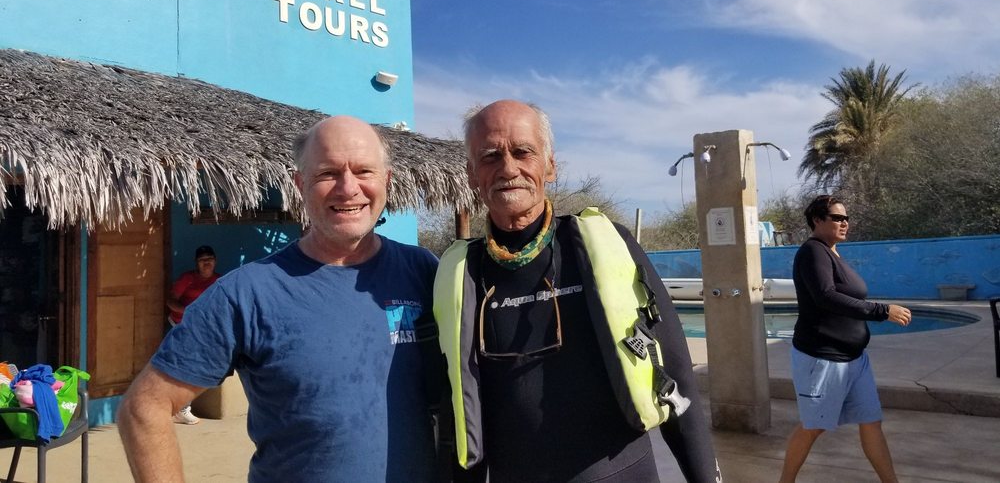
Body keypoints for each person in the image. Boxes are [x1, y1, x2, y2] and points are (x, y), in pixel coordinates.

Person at [119, 116, 440, 482]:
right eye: (327, 173)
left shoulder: (423, 271)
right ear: (300, 185)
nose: (348, 187)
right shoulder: (246, 293)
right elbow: (144, 408)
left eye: (364, 170)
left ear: (387, 180)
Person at [434, 99, 720, 482]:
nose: (508, 168)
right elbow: (456, 408)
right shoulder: (464, 274)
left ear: (550, 165)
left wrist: (705, 476)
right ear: (471, 174)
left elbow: (676, 374)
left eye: (523, 152)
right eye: (489, 156)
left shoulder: (605, 247)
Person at [779, 195, 911, 483]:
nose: (845, 223)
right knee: (814, 426)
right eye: (837, 218)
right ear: (817, 220)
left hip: (854, 358)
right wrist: (882, 311)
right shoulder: (813, 252)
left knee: (871, 422)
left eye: (846, 218)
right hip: (823, 357)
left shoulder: (832, 252)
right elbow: (826, 296)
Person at [165, 244, 221, 425]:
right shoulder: (188, 279)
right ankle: (181, 409)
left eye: (210, 259)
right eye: (202, 260)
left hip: (205, 328)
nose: (207, 263)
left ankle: (181, 407)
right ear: (197, 263)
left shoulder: (219, 280)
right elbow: (170, 301)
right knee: (188, 365)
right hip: (183, 325)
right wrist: (188, 312)